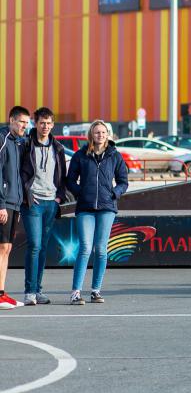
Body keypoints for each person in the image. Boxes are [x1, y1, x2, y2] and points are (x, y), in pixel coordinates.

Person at [66, 120, 129, 305]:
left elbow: (123, 182)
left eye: (103, 132)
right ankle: (76, 292)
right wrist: (81, 193)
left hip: (107, 208)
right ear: (91, 135)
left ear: (107, 134)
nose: (100, 135)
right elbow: (70, 180)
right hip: (85, 208)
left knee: (101, 250)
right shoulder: (80, 155)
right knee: (85, 248)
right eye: (97, 132)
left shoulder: (115, 156)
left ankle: (96, 291)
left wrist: (114, 194)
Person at [19, 107, 67, 306]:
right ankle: (29, 291)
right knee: (34, 245)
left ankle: (38, 290)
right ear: (35, 123)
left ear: (53, 125)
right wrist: (27, 194)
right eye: (41, 123)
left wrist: (59, 199)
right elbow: (17, 172)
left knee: (43, 248)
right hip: (33, 203)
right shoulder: (26, 145)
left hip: (51, 203)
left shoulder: (58, 148)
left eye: (48, 123)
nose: (45, 126)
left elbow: (63, 176)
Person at [0, 106, 30, 309]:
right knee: (1, 247)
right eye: (21, 122)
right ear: (11, 120)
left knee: (7, 248)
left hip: (15, 203)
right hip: (4, 203)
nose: (24, 126)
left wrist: (18, 204)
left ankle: (1, 293)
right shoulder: (3, 140)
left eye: (27, 123)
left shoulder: (19, 143)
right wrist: (1, 204)